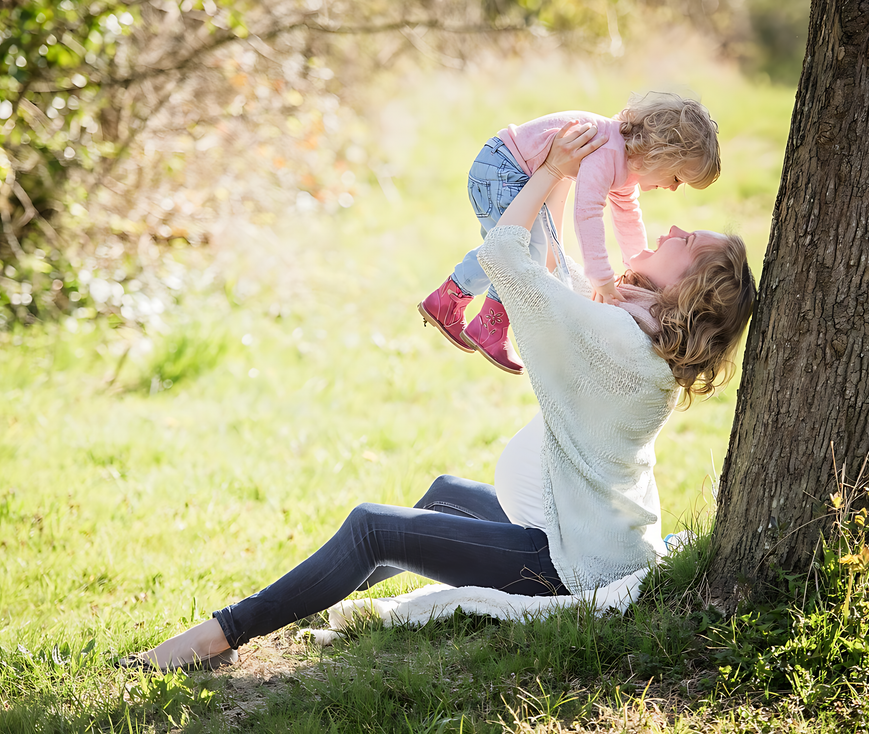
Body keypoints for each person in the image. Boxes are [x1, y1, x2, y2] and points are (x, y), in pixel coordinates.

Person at [119, 121, 755, 673]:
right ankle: (307, 597)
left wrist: (554, 172)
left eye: (691, 242)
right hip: (590, 536)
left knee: (373, 527)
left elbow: (506, 255)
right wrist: (572, 187)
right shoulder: (644, 339)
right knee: (444, 494)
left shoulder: (618, 339)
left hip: (569, 564)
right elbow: (570, 283)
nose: (675, 227)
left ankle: (220, 635)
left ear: (691, 291)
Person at [418, 91, 721, 375]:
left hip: (507, 168)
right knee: (519, 250)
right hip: (502, 169)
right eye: (677, 177)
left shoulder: (626, 163)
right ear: (658, 154)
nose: (671, 188)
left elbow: (628, 216)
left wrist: (635, 264)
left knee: (518, 248)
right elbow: (587, 212)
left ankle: (449, 300)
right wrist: (601, 277)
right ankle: (489, 324)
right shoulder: (608, 152)